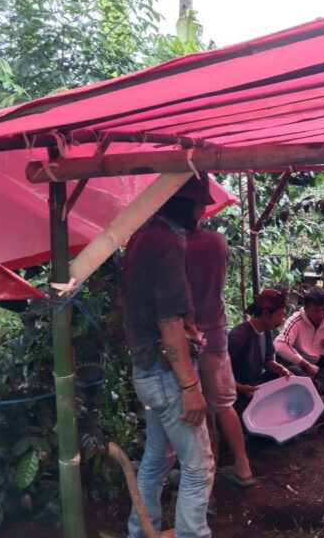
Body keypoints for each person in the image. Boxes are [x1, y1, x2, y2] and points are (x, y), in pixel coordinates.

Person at [121, 175, 214, 538]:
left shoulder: (143, 236)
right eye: (200, 203)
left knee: (157, 458)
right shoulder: (166, 243)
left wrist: (188, 330)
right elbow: (169, 322)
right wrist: (190, 386)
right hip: (165, 376)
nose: (203, 211)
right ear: (185, 204)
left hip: (146, 370)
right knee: (199, 466)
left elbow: (159, 312)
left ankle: (141, 532)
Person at [186, 218, 255, 488]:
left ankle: (208, 468)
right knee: (223, 405)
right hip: (215, 333)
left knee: (195, 404)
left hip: (187, 334)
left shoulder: (176, 245)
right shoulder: (217, 241)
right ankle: (243, 466)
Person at [229, 288, 293, 414]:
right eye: (279, 315)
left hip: (257, 385)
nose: (282, 320)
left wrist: (280, 369)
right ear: (265, 314)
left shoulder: (266, 331)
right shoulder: (238, 336)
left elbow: (267, 361)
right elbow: (219, 373)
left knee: (294, 372)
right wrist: (240, 387)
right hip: (240, 393)